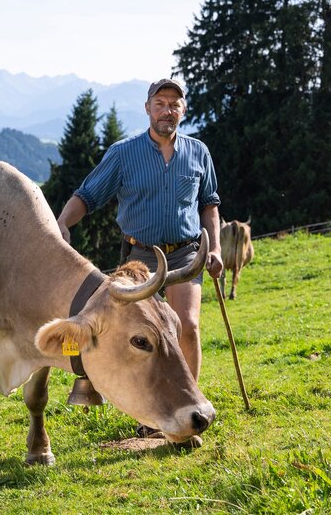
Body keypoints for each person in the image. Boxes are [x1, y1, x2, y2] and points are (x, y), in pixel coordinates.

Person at [56, 78, 223, 438]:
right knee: (147, 334)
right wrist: (62, 223)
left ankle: (185, 410)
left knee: (187, 326)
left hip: (186, 254)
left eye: (174, 104)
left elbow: (210, 203)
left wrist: (217, 249)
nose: (167, 109)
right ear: (148, 108)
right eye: (160, 103)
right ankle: (154, 411)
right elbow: (88, 194)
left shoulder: (198, 152)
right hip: (141, 260)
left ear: (183, 110)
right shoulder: (123, 153)